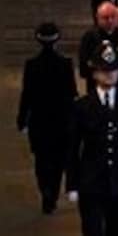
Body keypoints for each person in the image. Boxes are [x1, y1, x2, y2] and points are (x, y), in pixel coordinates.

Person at [65, 41, 118, 236]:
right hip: (92, 184)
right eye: (104, 70)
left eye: (113, 70)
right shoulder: (82, 107)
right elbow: (72, 148)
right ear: (94, 73)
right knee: (92, 231)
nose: (110, 74)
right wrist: (72, 183)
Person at [17, 22, 77, 214]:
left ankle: (46, 192)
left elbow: (27, 94)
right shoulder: (65, 65)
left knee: (42, 160)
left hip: (39, 120)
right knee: (59, 160)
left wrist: (22, 118)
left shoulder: (31, 65)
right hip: (61, 120)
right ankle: (53, 191)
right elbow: (71, 93)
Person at [78, 2, 118, 94]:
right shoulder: (89, 37)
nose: (110, 20)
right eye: (105, 18)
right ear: (97, 18)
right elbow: (83, 67)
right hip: (95, 88)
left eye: (113, 16)